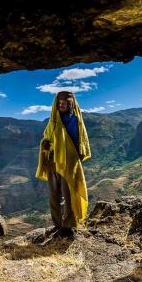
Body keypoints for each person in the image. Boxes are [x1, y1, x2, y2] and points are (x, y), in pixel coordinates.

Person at [35, 91, 91, 237]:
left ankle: (68, 227)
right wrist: (45, 144)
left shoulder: (76, 121)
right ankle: (58, 225)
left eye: (64, 103)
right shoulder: (53, 121)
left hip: (69, 164)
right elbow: (46, 137)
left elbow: (81, 143)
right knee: (54, 196)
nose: (61, 105)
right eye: (59, 103)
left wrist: (71, 155)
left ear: (71, 103)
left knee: (69, 194)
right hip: (53, 163)